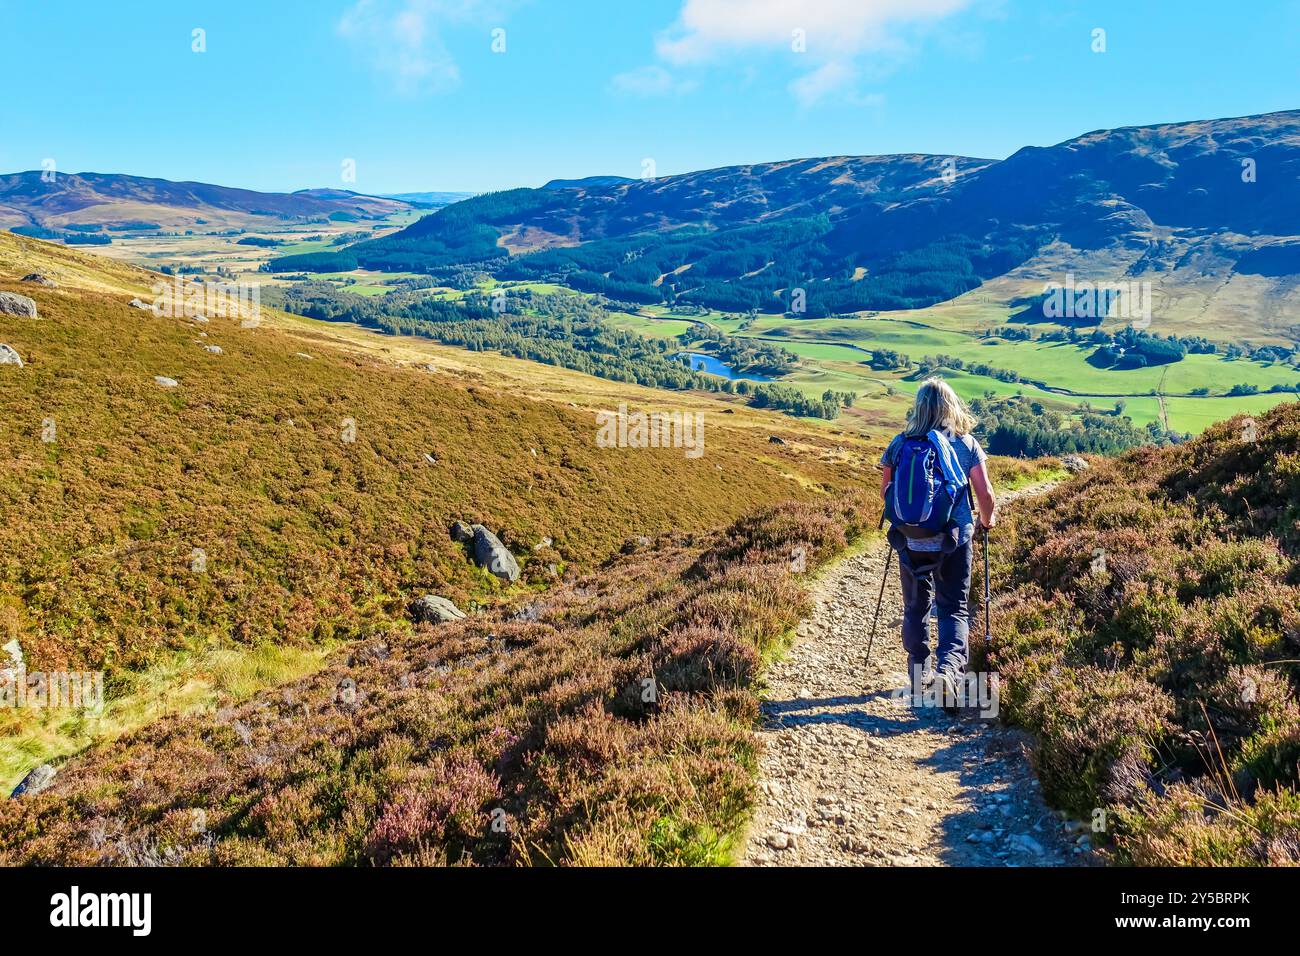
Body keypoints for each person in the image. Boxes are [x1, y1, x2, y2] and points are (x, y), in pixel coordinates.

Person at [879, 378, 997, 708]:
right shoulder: (967, 444)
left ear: (919, 407)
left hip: (910, 541)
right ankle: (948, 674)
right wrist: (985, 522)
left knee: (915, 607)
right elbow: (985, 495)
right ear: (951, 407)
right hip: (954, 539)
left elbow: (886, 493)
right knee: (953, 608)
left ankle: (918, 679)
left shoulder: (900, 444)